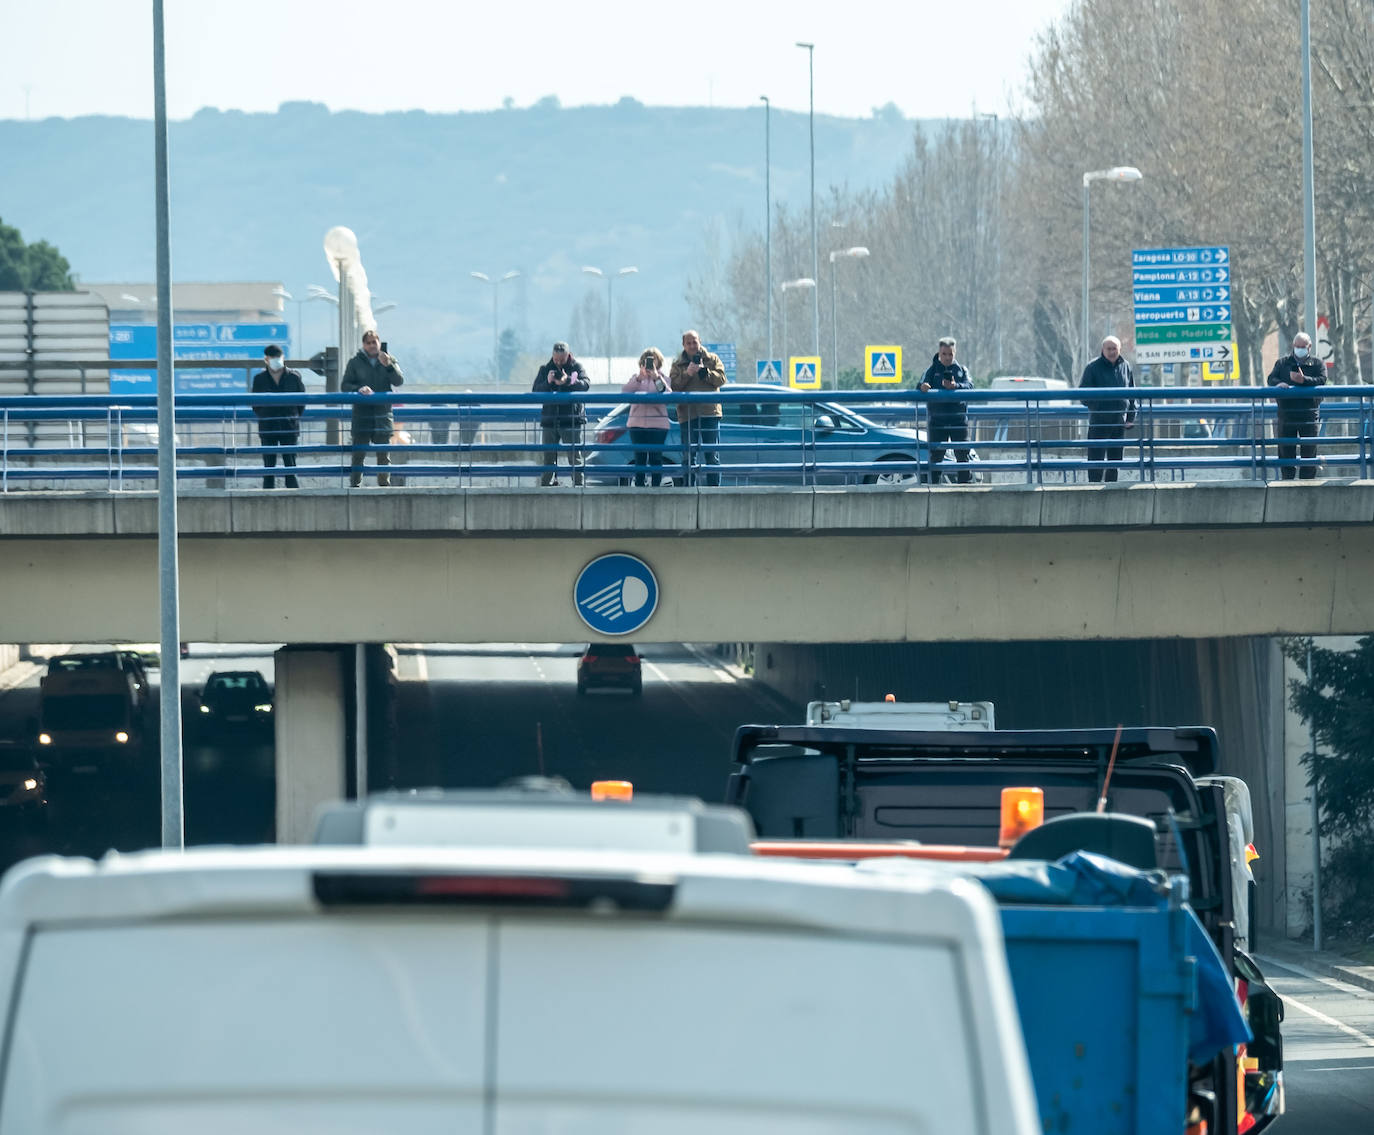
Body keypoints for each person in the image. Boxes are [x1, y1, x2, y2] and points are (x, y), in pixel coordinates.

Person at [341, 329, 404, 487]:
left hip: (382, 415)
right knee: (358, 454)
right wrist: (359, 389)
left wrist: (388, 365)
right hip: (362, 415)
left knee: (383, 455)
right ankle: (355, 485)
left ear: (379, 343)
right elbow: (345, 385)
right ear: (363, 345)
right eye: (368, 343)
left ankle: (384, 485)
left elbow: (398, 381)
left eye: (374, 342)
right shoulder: (355, 362)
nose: (371, 346)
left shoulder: (389, 360)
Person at [1266, 332, 1327, 480]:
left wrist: (1303, 380)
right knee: (1286, 451)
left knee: (1309, 451)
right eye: (1297, 346)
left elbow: (1322, 380)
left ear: (1309, 347)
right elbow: (1271, 378)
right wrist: (1278, 383)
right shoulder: (1282, 363)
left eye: (1303, 347)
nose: (1300, 349)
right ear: (1293, 346)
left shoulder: (1317, 364)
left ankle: (1307, 483)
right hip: (1287, 414)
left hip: (1309, 414)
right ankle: (1287, 481)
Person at [669, 330, 726, 486]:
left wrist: (705, 373)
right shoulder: (677, 364)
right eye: (689, 343)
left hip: (710, 413)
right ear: (683, 345)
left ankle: (714, 492)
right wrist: (687, 374)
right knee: (688, 457)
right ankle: (688, 491)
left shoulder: (712, 359)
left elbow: (721, 379)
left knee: (712, 456)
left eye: (695, 342)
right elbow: (672, 387)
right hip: (687, 415)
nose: (692, 345)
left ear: (700, 341)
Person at [1078, 335, 1136, 483]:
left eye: (1114, 348)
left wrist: (1130, 417)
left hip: (1119, 423)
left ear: (1119, 349)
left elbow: (1132, 393)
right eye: (1108, 349)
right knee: (1095, 462)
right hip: (1099, 422)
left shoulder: (1126, 366)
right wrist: (1100, 406)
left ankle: (1112, 490)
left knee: (1115, 463)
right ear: (1102, 350)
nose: (1112, 352)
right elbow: (1083, 395)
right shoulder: (1092, 367)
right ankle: (1094, 490)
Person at [918, 336, 974, 483]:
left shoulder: (962, 370)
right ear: (939, 353)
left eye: (951, 354)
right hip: (937, 421)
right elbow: (920, 384)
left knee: (963, 457)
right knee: (935, 458)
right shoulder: (931, 370)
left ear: (955, 353)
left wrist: (956, 386)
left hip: (958, 420)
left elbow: (970, 387)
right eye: (944, 354)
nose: (947, 357)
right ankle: (934, 490)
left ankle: (964, 490)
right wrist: (923, 387)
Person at [533, 341, 589, 486]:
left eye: (562, 360)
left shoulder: (577, 367)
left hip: (571, 420)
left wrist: (568, 381)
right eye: (556, 360)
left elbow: (585, 384)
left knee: (574, 457)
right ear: (552, 356)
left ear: (568, 355)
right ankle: (546, 486)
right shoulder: (545, 369)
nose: (558, 364)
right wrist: (548, 382)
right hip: (550, 420)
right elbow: (535, 392)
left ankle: (578, 487)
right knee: (548, 457)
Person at [250, 344, 305, 489]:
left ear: (283, 358)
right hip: (268, 427)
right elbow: (255, 404)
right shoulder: (259, 379)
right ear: (266, 360)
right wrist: (266, 415)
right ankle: (267, 495)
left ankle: (294, 495)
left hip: (289, 426)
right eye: (272, 357)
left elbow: (302, 402)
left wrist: (293, 416)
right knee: (268, 466)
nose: (276, 360)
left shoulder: (294, 377)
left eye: (278, 357)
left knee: (291, 465)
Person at [621, 348, 671, 487]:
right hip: (637, 424)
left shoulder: (664, 379)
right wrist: (639, 378)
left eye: (652, 360)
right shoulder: (636, 378)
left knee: (656, 457)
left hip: (658, 425)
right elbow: (625, 392)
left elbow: (666, 395)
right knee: (639, 458)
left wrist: (656, 377)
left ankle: (656, 486)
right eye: (646, 360)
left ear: (658, 362)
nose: (648, 363)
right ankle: (639, 485)